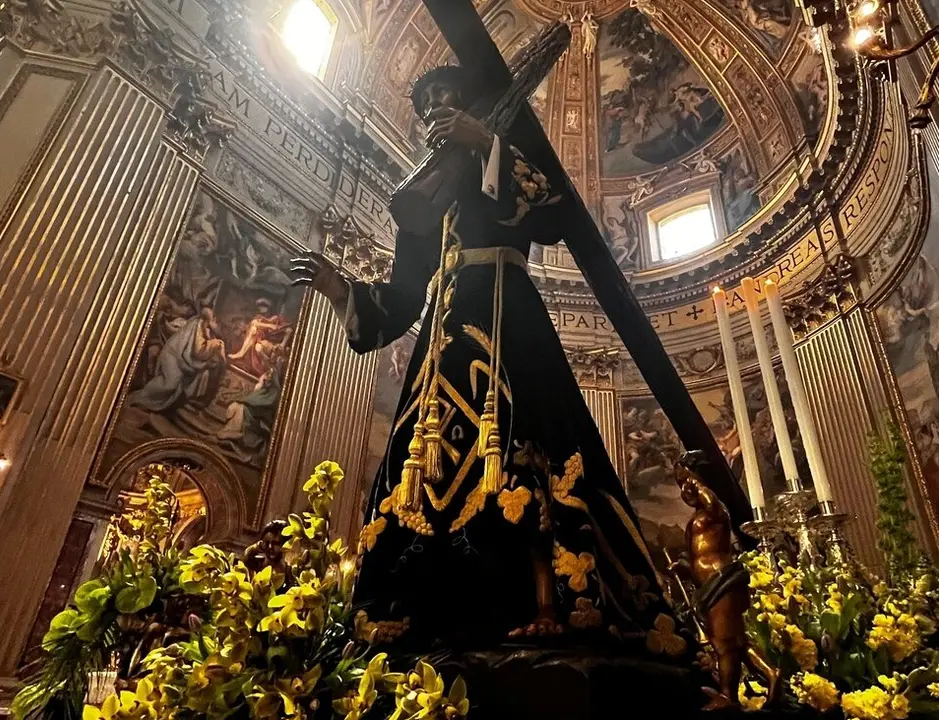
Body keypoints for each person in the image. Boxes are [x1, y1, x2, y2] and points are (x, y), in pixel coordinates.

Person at [290, 65, 680, 654]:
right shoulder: (422, 194)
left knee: (528, 449)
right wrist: (340, 289)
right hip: (443, 340)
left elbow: (553, 215)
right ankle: (419, 607)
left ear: (470, 107)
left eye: (444, 99)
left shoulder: (500, 158)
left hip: (508, 317)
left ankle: (545, 603)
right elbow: (401, 296)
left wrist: (487, 146)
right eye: (424, 105)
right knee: (420, 466)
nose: (433, 111)